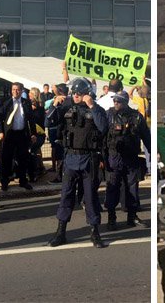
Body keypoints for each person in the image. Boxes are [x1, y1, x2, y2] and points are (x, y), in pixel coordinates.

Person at [46, 78, 109, 248]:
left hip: (89, 159)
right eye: (74, 93)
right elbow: (48, 122)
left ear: (87, 94)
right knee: (66, 195)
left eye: (79, 93)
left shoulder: (97, 109)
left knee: (90, 196)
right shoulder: (67, 109)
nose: (75, 96)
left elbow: (103, 127)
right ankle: (61, 232)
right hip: (71, 158)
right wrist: (54, 105)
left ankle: (95, 232)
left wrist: (92, 107)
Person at [105, 91, 151, 230]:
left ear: (125, 102)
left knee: (132, 188)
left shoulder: (137, 117)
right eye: (114, 101)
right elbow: (101, 135)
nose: (115, 103)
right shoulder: (109, 115)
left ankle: (132, 216)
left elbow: (146, 137)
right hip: (114, 157)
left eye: (118, 101)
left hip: (131, 157)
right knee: (112, 188)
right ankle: (111, 218)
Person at [0, 82, 35, 191]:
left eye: (17, 90)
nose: (15, 92)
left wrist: (33, 133)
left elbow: (31, 119)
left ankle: (23, 180)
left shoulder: (26, 103)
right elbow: (0, 117)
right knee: (6, 158)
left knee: (23, 158)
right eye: (13, 89)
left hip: (22, 133)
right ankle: (5, 181)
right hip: (9, 134)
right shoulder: (6, 102)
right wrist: (0, 131)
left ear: (22, 91)